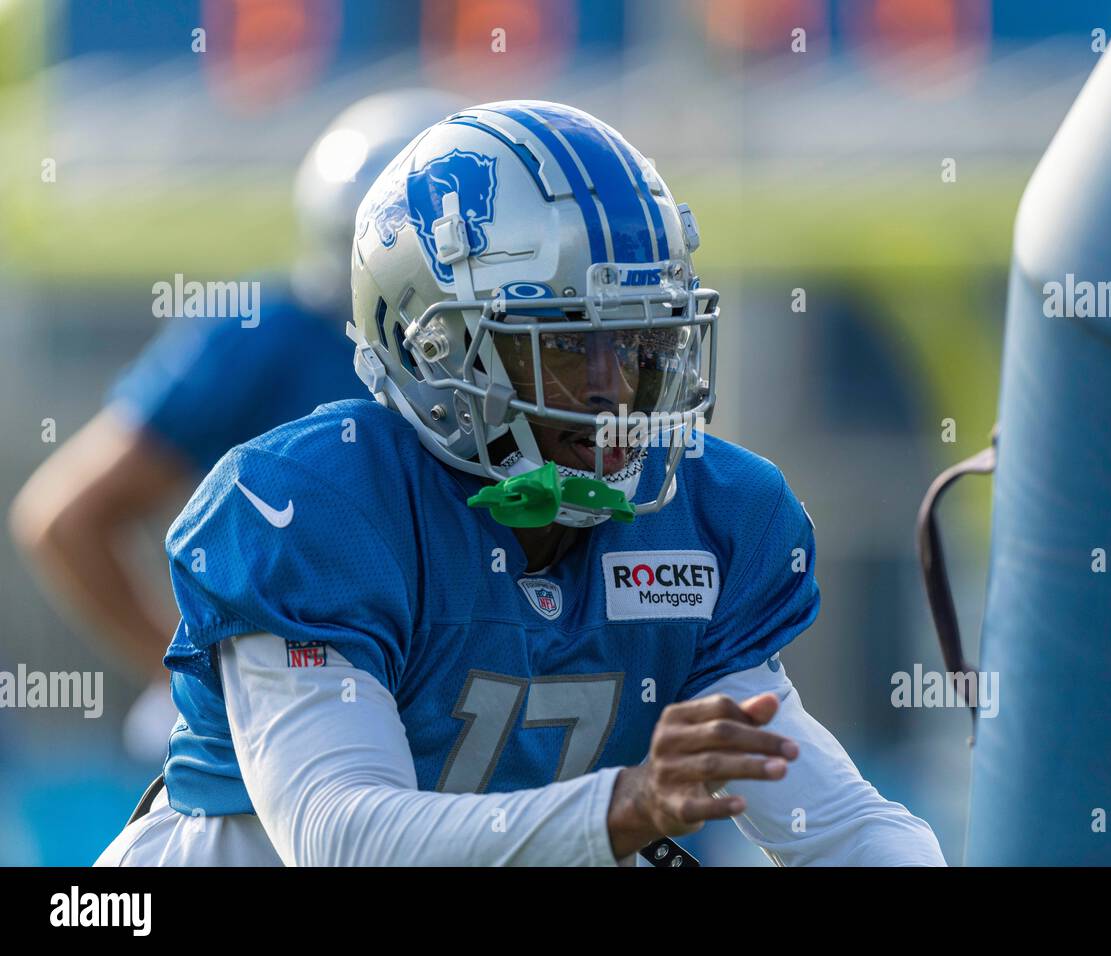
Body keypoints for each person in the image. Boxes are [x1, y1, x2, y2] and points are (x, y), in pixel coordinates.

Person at [95, 101, 945, 866]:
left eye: (643, 341)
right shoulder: (315, 506)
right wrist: (625, 806)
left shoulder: (709, 515)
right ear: (437, 349)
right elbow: (342, 838)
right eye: (568, 343)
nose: (615, 386)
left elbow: (841, 829)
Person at [8, 90, 461, 762]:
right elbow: (64, 517)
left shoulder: (553, 364)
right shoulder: (268, 336)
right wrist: (198, 680)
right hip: (301, 734)